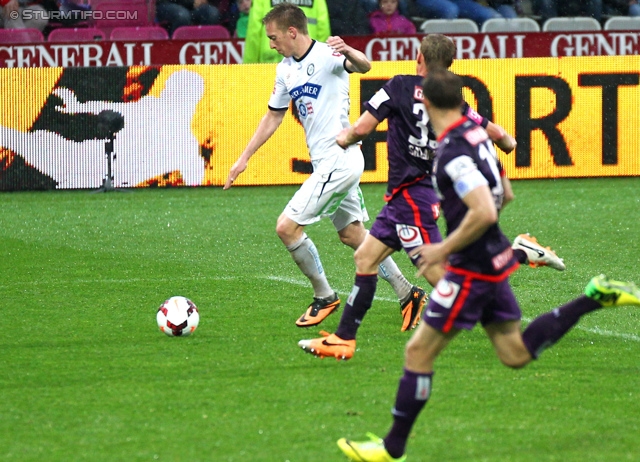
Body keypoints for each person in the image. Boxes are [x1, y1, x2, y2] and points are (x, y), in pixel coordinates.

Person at [335, 68, 640, 462]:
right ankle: (594, 297)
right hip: (490, 258)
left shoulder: (450, 150)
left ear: (426, 104)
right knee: (514, 354)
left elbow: (483, 210)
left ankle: (391, 448)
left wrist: (444, 249)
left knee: (417, 354)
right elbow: (505, 194)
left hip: (469, 268)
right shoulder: (476, 136)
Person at [298, 33, 564, 361]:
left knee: (445, 282)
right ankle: (344, 338)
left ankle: (519, 254)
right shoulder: (450, 101)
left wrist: (343, 139)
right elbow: (495, 133)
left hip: (413, 199)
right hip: (408, 195)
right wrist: (507, 142)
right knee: (365, 259)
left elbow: (363, 128)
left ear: (419, 56)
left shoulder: (398, 86)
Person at [224, 3, 426, 330]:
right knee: (352, 234)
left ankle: (324, 296)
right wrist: (244, 158)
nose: (271, 44)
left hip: (339, 159)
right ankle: (408, 293)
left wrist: (348, 48)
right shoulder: (285, 70)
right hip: (327, 163)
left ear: (292, 32)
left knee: (286, 228)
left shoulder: (328, 54)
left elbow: (364, 66)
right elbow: (274, 115)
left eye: (274, 37)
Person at [243, 0, 330, 63]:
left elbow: (254, 33)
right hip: (306, 58)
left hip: (271, 61)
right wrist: (320, 58)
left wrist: (249, 66)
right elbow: (323, 28)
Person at [156, 0, 221, 35]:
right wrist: (192, 2)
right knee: (182, 15)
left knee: (212, 13)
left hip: (195, 7)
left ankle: (202, 47)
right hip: (167, 4)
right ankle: (175, 48)